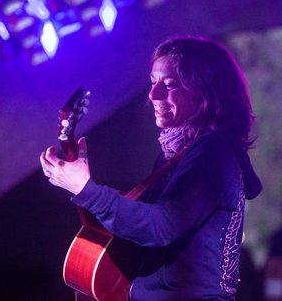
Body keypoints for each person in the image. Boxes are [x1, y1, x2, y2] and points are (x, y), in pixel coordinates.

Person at [40, 36, 262, 300]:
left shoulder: (213, 154)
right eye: (153, 82)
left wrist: (87, 190)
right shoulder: (180, 155)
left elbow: (162, 226)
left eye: (169, 85)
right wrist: (79, 181)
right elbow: (133, 226)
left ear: (205, 92)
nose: (153, 94)